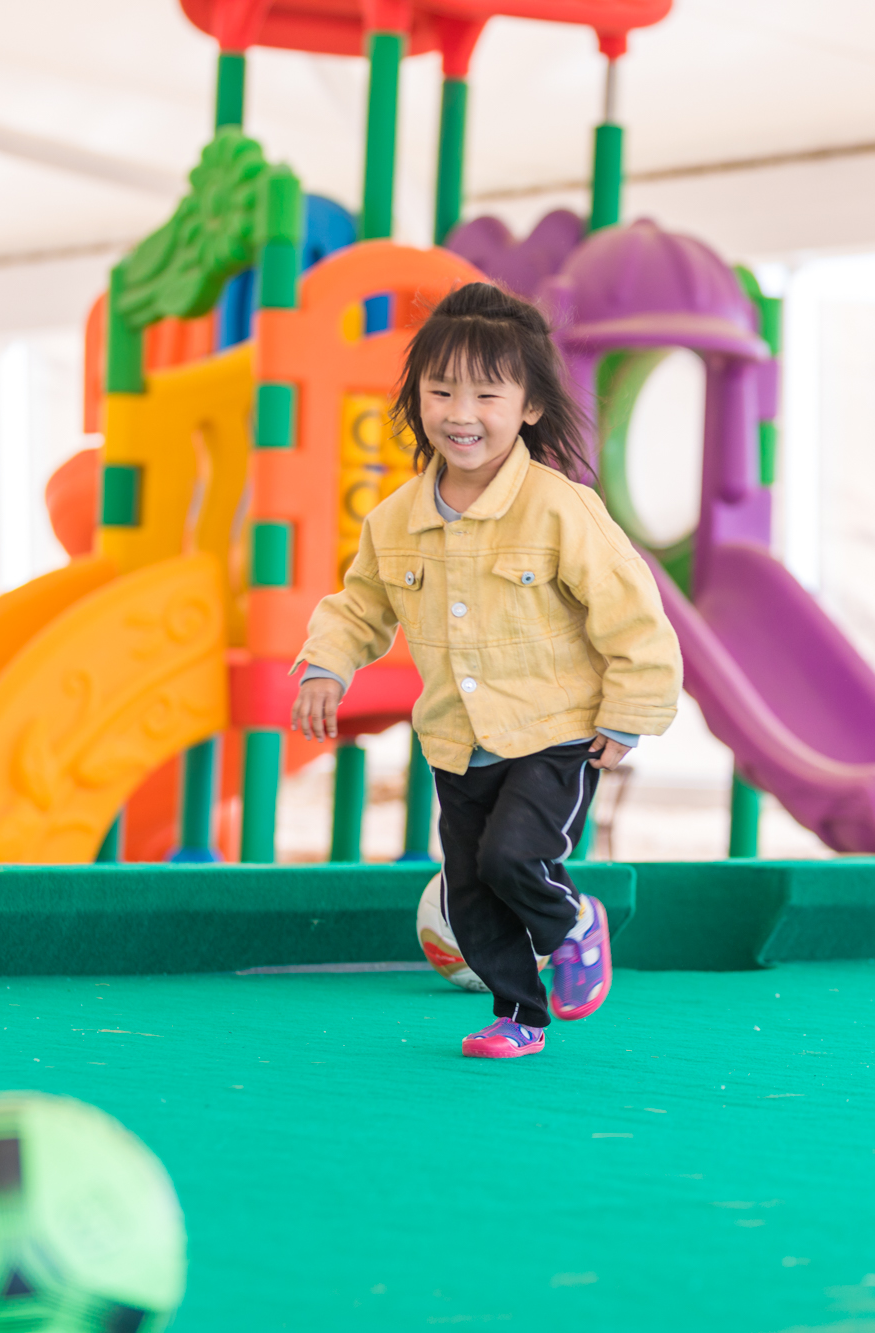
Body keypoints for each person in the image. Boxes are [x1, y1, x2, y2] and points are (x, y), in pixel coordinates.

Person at [291, 282, 682, 1059]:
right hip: (456, 743)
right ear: (415, 400)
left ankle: (574, 922)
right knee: (470, 893)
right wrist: (325, 667)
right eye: (440, 391)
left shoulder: (559, 508)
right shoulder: (396, 518)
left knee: (514, 857)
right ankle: (519, 1016)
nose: (459, 412)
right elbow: (358, 604)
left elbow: (632, 612)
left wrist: (628, 710)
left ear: (530, 406)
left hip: (554, 731)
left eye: (485, 394)